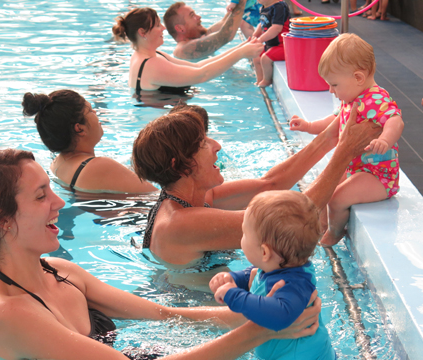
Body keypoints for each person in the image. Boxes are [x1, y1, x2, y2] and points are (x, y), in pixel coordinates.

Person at [0, 149, 323, 360]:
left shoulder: (61, 270)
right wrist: (260, 331)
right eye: (40, 196)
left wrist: (261, 310)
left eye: (50, 191)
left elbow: (165, 314)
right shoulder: (3, 314)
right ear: (1, 220)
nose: (57, 203)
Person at [132, 104, 381, 270]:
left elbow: (270, 184)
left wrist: (332, 134)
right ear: (180, 165)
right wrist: (346, 151)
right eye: (202, 143)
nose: (216, 145)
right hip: (200, 331)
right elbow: (296, 217)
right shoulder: (178, 223)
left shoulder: (193, 196)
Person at [289, 33, 404, 247]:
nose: (330, 90)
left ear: (358, 78)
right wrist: (308, 126)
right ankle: (322, 224)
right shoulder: (352, 98)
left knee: (337, 198)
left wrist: (385, 141)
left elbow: (395, 121)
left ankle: (334, 232)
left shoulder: (377, 99)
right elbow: (334, 121)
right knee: (323, 188)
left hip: (378, 176)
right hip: (357, 168)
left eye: (334, 84)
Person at [210, 190, 335, 360]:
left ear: (264, 252)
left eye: (244, 233)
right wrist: (234, 279)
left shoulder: (294, 285)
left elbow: (280, 315)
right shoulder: (276, 268)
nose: (242, 237)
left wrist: (235, 295)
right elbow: (255, 275)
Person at [22, 89, 157, 193]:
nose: (96, 112)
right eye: (90, 111)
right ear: (79, 129)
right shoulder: (100, 166)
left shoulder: (58, 163)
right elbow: (155, 196)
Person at [112, 7, 263, 99]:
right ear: (142, 32)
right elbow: (201, 75)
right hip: (163, 139)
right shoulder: (151, 64)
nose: (163, 28)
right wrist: (240, 54)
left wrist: (241, 48)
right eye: (158, 25)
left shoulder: (151, 55)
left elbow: (197, 66)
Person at [163, 0, 248, 59]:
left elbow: (223, 23)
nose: (199, 17)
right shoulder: (184, 49)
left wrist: (236, 3)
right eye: (192, 15)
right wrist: (241, 1)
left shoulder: (199, 37)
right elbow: (226, 35)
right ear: (180, 28)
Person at [252, 0, 290, 87]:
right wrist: (255, 35)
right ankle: (259, 80)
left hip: (283, 46)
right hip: (272, 45)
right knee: (256, 56)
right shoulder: (264, 6)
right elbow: (262, 23)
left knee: (265, 59)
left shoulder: (279, 7)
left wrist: (260, 39)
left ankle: (266, 80)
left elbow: (276, 28)